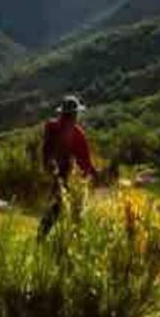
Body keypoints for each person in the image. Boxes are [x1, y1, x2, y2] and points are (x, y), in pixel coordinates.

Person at [38, 95, 99, 238]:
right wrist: (95, 175)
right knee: (67, 210)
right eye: (75, 114)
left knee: (55, 208)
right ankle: (65, 241)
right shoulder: (77, 134)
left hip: (57, 174)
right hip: (65, 175)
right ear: (74, 114)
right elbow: (85, 163)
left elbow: (47, 151)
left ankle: (43, 238)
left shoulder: (52, 126)